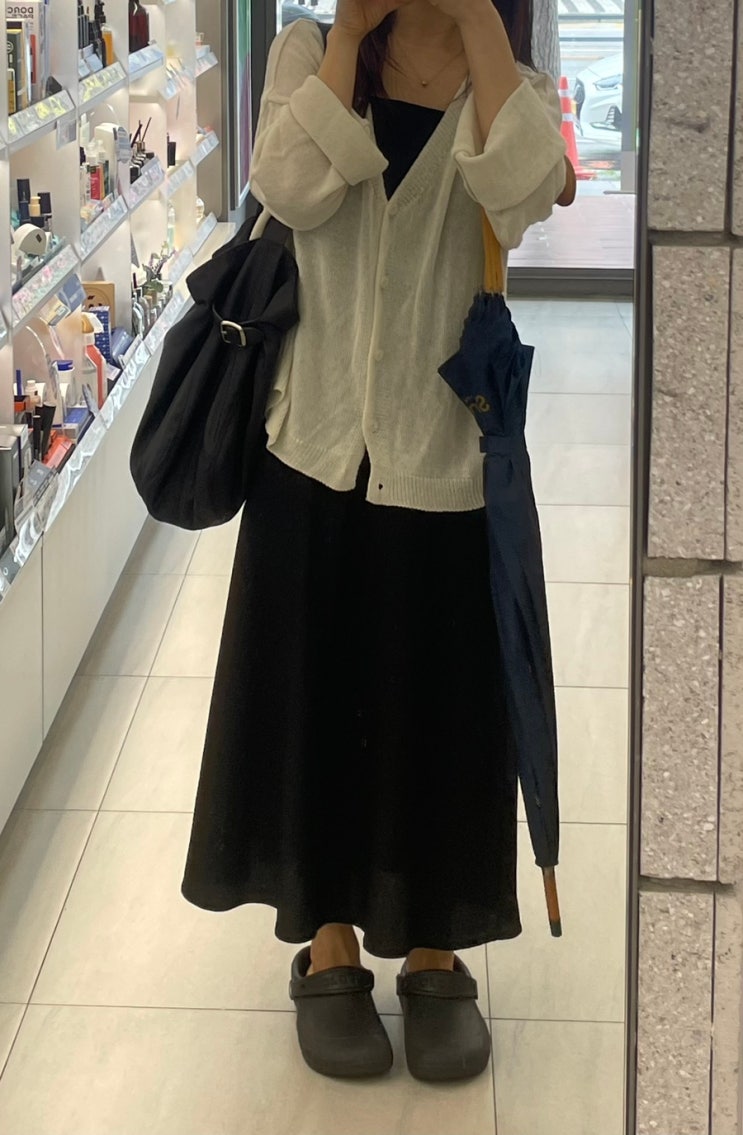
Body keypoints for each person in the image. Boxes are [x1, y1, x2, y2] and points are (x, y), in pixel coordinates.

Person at [181, 0, 574, 1084]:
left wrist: (482, 29)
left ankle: (437, 943)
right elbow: (286, 186)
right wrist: (352, 36)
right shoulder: (312, 50)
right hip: (311, 452)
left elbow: (525, 197)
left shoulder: (513, 84)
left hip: (443, 459)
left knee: (436, 706)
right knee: (318, 700)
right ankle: (327, 943)